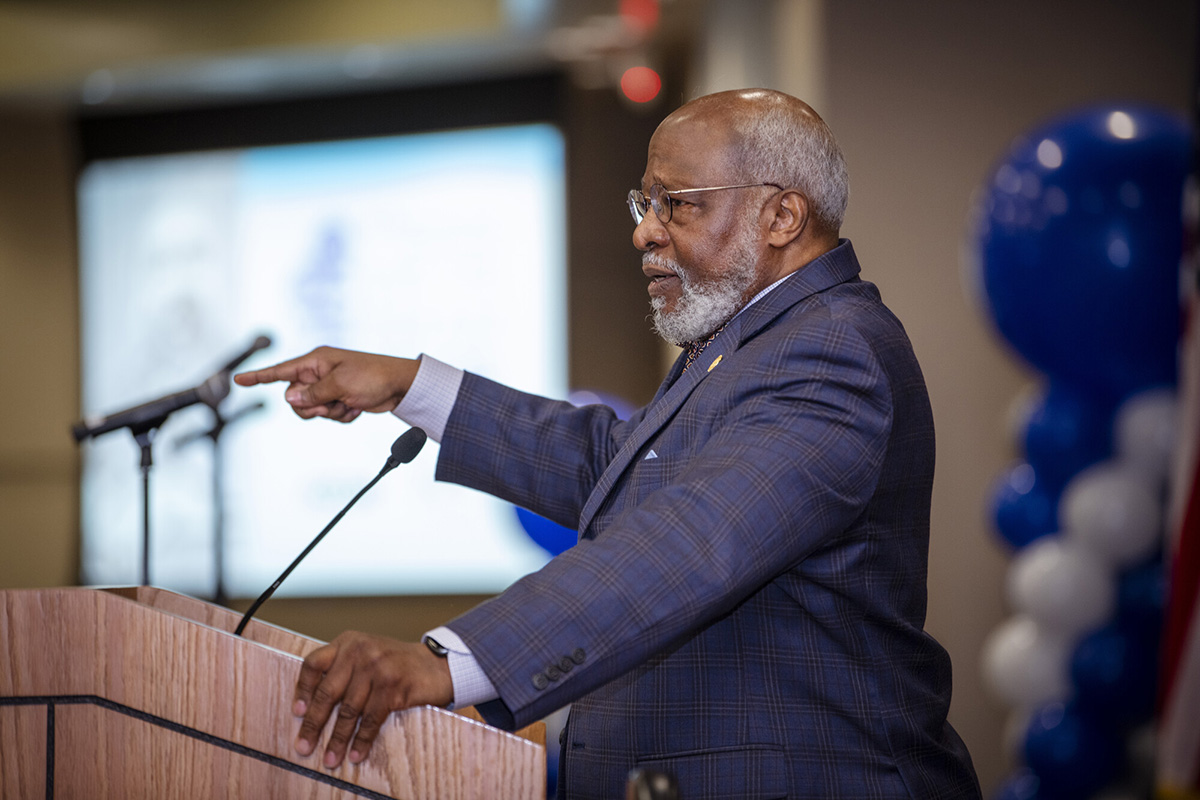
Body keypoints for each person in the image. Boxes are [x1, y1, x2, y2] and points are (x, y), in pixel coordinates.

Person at [235, 88, 981, 800]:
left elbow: (691, 538)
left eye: (676, 204)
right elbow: (618, 471)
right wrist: (410, 387)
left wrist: (445, 662)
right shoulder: (753, 342)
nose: (645, 230)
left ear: (782, 215)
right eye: (645, 203)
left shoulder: (831, 350)